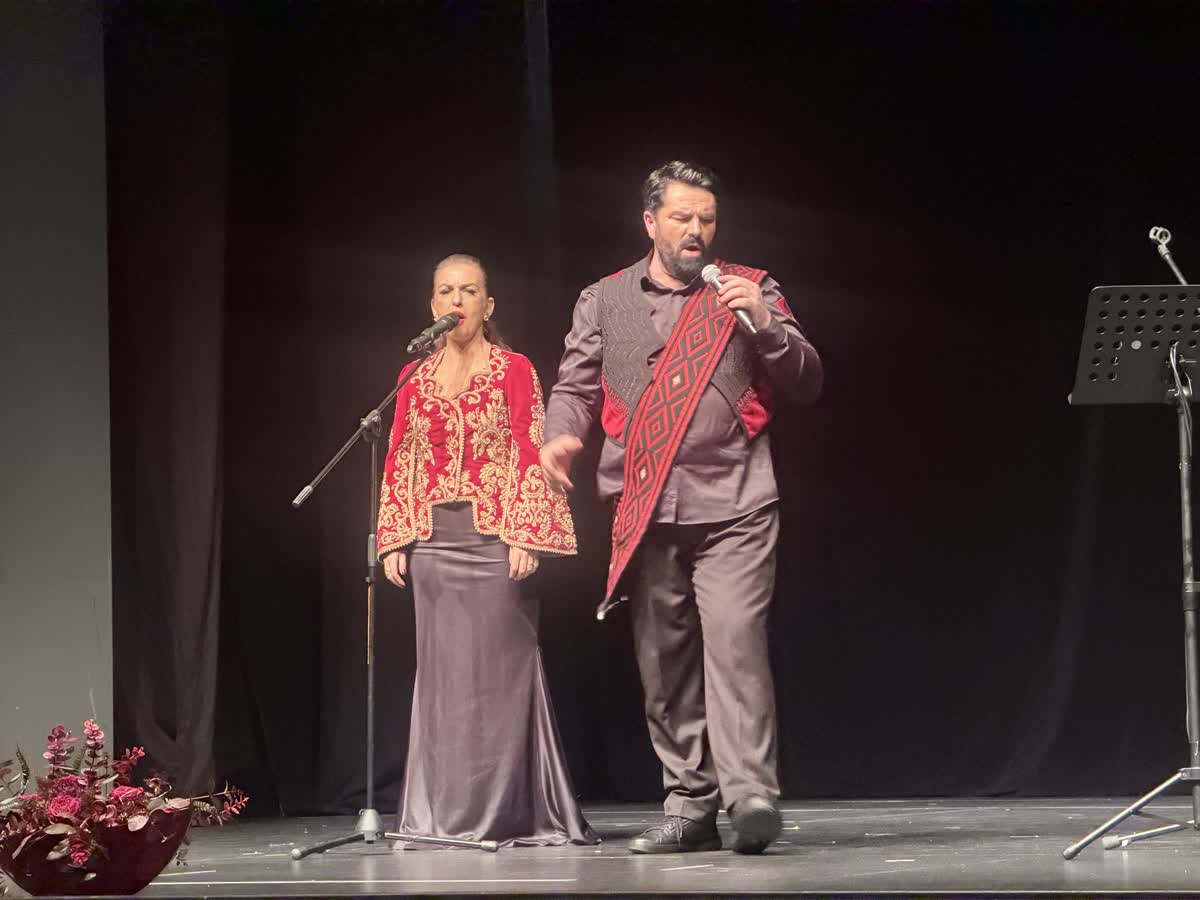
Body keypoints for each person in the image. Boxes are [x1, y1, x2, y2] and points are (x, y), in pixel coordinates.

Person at [540, 161, 823, 855]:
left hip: (736, 502)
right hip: (645, 507)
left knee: (735, 643)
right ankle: (691, 807)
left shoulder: (750, 288)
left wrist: (766, 325)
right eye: (682, 217)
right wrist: (560, 435)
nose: (696, 230)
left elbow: (807, 380)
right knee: (662, 665)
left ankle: (750, 798)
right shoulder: (602, 299)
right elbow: (574, 386)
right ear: (650, 222)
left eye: (707, 219)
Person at [377, 253, 597, 848]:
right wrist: (394, 536)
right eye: (446, 291)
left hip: (494, 541)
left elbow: (530, 442)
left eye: (468, 291)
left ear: (487, 304)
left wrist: (525, 531)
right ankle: (443, 816)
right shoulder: (413, 376)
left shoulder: (513, 369)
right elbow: (400, 453)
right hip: (433, 546)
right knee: (443, 682)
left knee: (500, 677)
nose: (457, 301)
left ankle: (508, 813)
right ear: (432, 305)